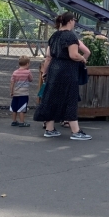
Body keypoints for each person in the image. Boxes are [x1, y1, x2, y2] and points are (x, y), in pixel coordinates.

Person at [35, 12, 92, 140]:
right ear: (70, 21)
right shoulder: (70, 36)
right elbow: (73, 55)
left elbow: (49, 56)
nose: (75, 22)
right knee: (70, 98)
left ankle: (49, 129)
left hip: (54, 69)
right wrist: (82, 58)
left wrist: (45, 72)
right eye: (74, 20)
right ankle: (76, 131)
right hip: (67, 70)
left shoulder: (54, 36)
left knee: (51, 98)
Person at [10, 55, 33, 127]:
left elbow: (12, 82)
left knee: (15, 107)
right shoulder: (28, 72)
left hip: (16, 92)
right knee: (22, 108)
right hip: (24, 93)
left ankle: (14, 121)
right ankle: (22, 122)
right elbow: (31, 79)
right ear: (27, 64)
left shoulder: (15, 72)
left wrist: (11, 91)